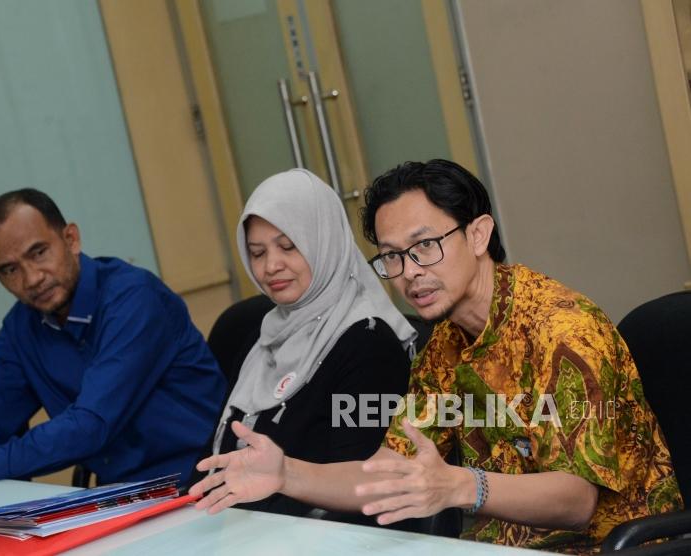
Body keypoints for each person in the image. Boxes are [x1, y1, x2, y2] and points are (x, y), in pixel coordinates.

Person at [190, 160, 683, 554]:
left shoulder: (564, 332)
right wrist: (287, 473)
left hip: (609, 546)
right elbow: (389, 470)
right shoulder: (445, 343)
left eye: (424, 246)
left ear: (478, 234)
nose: (409, 273)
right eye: (392, 256)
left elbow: (577, 502)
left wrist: (460, 486)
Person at [0, 188, 226, 504]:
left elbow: (90, 425)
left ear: (71, 239)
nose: (32, 279)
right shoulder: (21, 326)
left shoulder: (135, 299)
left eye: (38, 252)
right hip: (120, 499)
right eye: (10, 270)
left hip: (204, 487)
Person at [203, 169, 416, 518]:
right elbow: (216, 454)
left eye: (289, 247)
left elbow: (364, 489)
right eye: (257, 253)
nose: (272, 266)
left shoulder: (369, 344)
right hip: (237, 529)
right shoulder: (263, 335)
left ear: (324, 241)